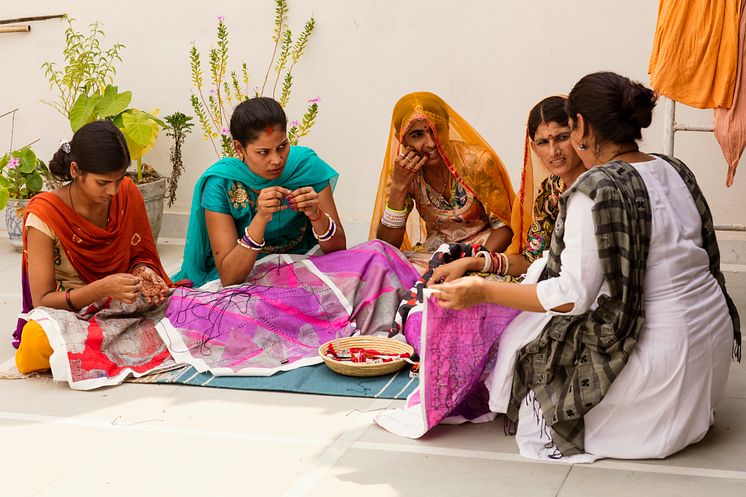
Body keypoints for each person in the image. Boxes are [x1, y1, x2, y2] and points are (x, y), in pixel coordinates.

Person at [430, 72, 740, 462]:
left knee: (536, 399)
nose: (557, 148)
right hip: (708, 350)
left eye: (564, 133)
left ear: (581, 127)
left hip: (663, 364)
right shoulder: (672, 167)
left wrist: (481, 289)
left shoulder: (596, 188)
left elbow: (571, 297)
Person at [14, 120, 172, 374]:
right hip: (73, 313)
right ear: (76, 170)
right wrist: (101, 289)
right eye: (102, 183)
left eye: (119, 180)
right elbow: (42, 300)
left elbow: (140, 256)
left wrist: (144, 271)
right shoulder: (45, 214)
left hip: (125, 306)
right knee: (36, 343)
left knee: (191, 310)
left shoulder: (127, 194)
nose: (113, 190)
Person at [174, 97, 345, 287]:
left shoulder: (306, 168)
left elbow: (339, 250)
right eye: (263, 152)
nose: (277, 160)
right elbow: (230, 277)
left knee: (376, 262)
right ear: (239, 148)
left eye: (282, 147)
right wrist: (261, 218)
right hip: (248, 276)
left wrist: (317, 215)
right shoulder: (221, 183)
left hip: (304, 266)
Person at [429, 95, 586, 283]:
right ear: (534, 149)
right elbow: (530, 260)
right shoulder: (549, 191)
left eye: (562, 138)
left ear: (579, 135)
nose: (553, 152)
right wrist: (471, 263)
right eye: (543, 142)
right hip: (553, 285)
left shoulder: (598, 185)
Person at [370, 92, 515, 272]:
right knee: (376, 268)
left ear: (448, 126)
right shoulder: (404, 173)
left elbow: (505, 228)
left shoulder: (477, 162)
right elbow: (387, 245)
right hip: (435, 258)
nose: (431, 143)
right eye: (417, 135)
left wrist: (471, 266)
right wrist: (399, 188)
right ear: (402, 139)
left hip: (484, 254)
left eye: (436, 129)